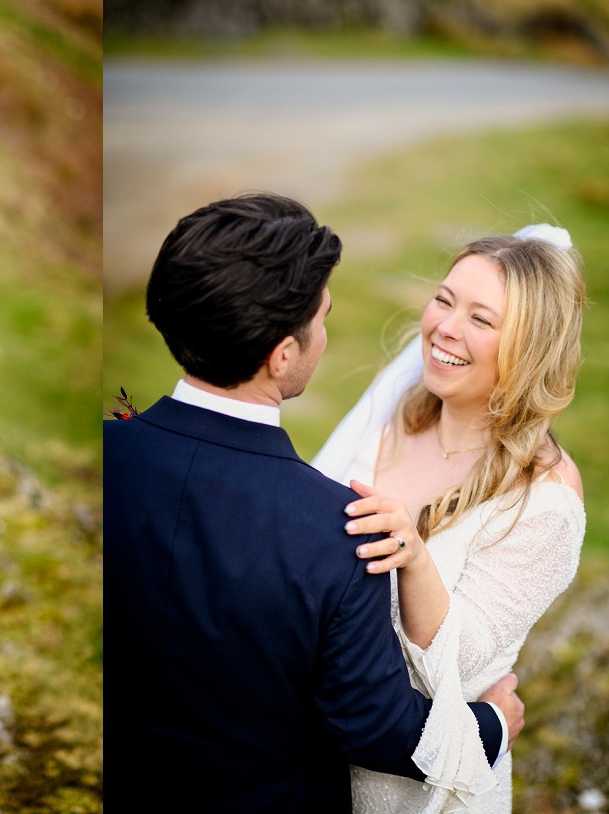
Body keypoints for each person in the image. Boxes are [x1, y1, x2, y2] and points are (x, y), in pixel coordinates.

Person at [103, 193, 525, 813]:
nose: (325, 333)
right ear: (283, 355)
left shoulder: (109, 453)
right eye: (322, 318)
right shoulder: (341, 530)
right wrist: (491, 725)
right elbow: (377, 727)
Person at [313, 224, 587, 813]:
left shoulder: (544, 497)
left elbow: (463, 664)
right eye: (444, 299)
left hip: (424, 787)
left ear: (531, 348)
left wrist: (413, 559)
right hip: (319, 763)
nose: (445, 328)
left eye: (481, 320)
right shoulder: (394, 417)